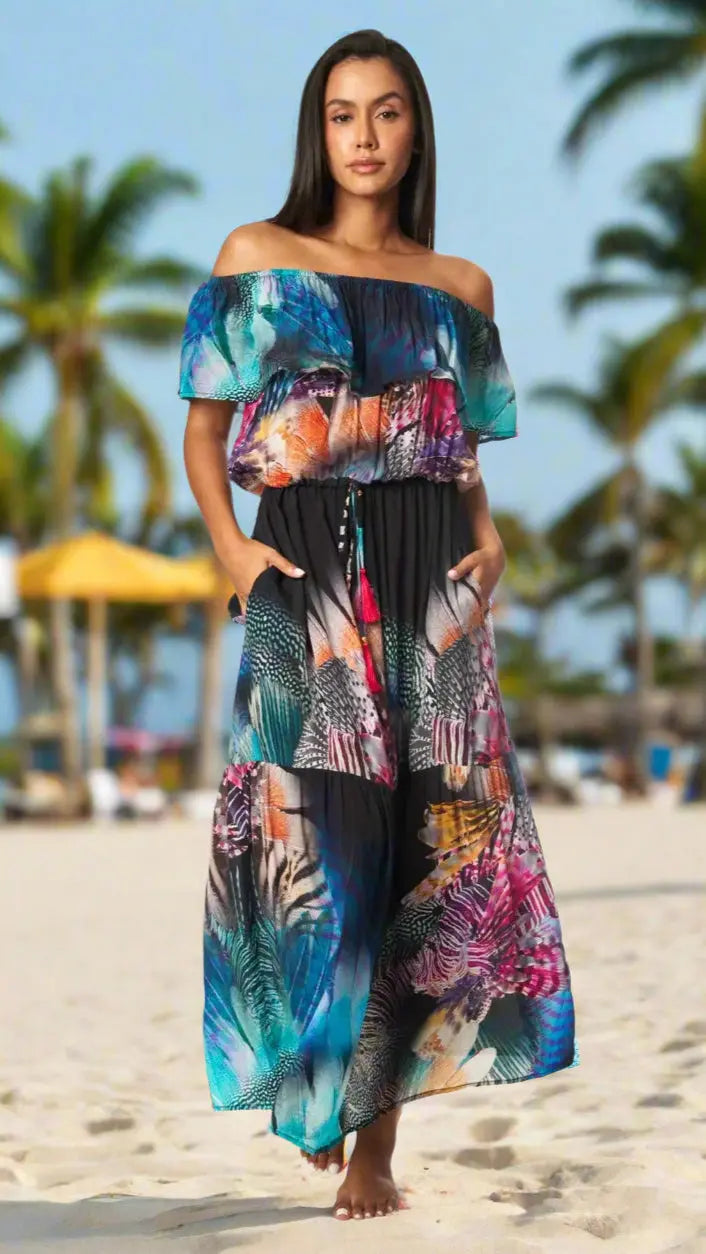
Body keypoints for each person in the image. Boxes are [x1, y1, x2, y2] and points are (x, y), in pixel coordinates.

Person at [179, 27, 579, 1223]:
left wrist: (489, 540)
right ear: (319, 131)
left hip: (430, 580)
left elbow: (460, 453)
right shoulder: (256, 257)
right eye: (342, 113)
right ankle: (319, 1082)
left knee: (422, 852)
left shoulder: (461, 287)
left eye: (387, 111)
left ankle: (374, 1148)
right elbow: (204, 431)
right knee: (311, 837)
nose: (364, 136)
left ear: (415, 131)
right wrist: (232, 548)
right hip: (301, 566)